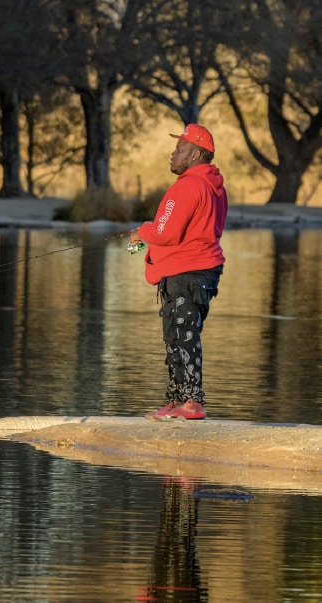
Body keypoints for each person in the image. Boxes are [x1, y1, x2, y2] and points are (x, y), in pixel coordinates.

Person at [130, 124, 228, 420]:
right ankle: (176, 401)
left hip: (187, 272)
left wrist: (141, 231)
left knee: (182, 335)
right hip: (204, 271)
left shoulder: (188, 185)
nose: (173, 153)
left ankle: (191, 402)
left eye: (180, 149)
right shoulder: (214, 187)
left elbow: (165, 231)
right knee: (177, 335)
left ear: (196, 154)